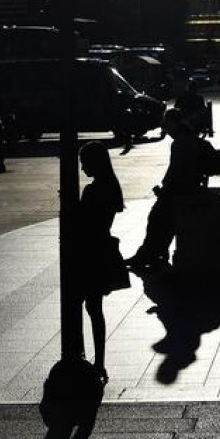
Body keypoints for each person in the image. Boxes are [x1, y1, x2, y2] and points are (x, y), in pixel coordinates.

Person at [125, 108, 210, 270]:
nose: (165, 130)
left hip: (182, 189)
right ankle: (154, 251)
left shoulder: (180, 142)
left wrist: (164, 189)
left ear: (173, 123)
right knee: (162, 218)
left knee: (157, 216)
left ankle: (148, 253)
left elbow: (176, 172)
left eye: (166, 125)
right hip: (190, 186)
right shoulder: (189, 137)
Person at [77, 141, 129, 384]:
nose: (82, 168)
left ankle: (79, 356)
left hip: (87, 253)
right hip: (103, 251)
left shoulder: (91, 191)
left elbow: (82, 223)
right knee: (95, 309)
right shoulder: (111, 187)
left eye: (84, 163)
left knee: (79, 305)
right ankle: (100, 361)